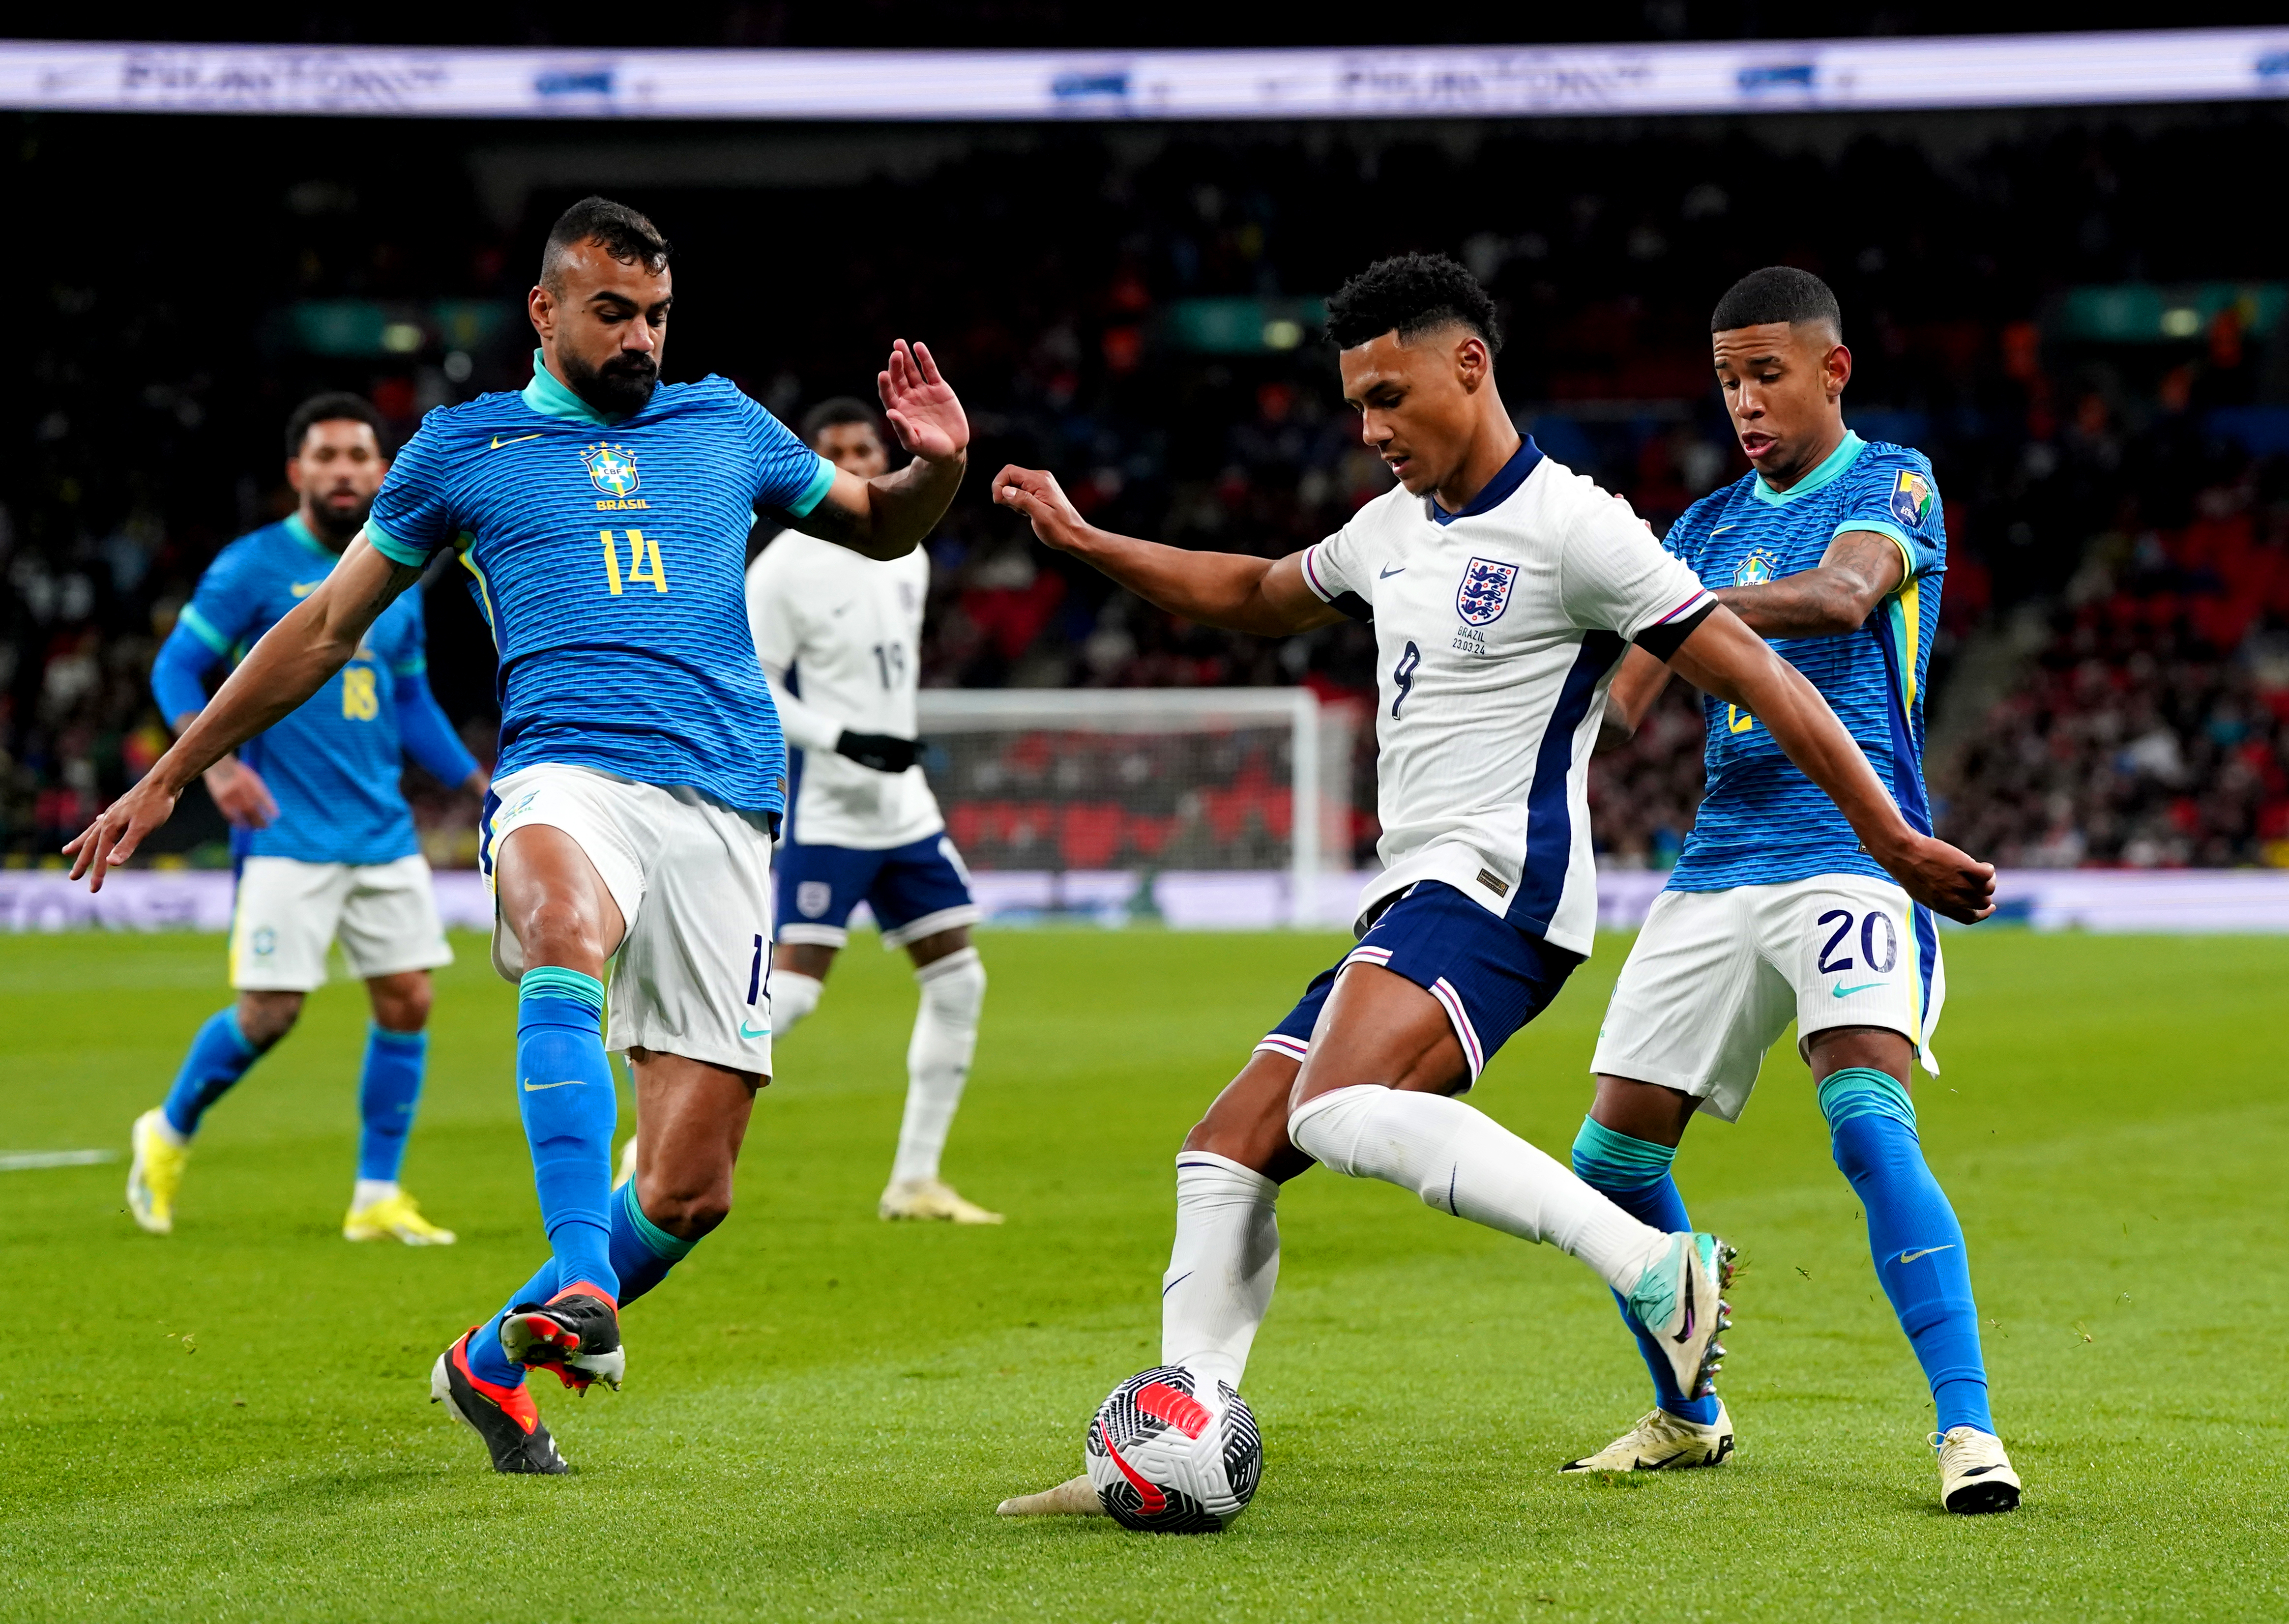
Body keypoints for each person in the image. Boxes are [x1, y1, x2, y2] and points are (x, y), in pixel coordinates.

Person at [990, 253, 1996, 1517]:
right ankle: (1173, 1440)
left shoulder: (1581, 526)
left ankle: (1646, 1261)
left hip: (1502, 886)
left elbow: (1770, 674)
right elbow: (1252, 591)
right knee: (1224, 1150)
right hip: (1413, 888)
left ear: (1470, 366)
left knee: (1335, 1105)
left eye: (1390, 396)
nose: (1370, 429)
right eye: (1357, 403)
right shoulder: (1391, 528)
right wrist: (1086, 540)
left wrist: (1892, 841)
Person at [68, 196, 970, 1475]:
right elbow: (324, 629)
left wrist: (933, 465)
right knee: (561, 928)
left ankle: (495, 1355)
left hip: (726, 803)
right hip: (566, 773)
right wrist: (175, 773)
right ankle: (584, 1285)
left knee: (692, 1189)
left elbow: (881, 524)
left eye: (657, 314)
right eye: (614, 313)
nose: (641, 338)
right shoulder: (460, 450)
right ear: (547, 310)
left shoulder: (726, 423)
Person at [1565, 266, 2019, 1513]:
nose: (1745, 401)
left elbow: (1841, 596)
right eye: (1726, 379)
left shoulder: (1893, 480)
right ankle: (1690, 1413)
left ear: (1834, 370)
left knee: (1868, 1121)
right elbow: (1626, 695)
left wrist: (1663, 606)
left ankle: (1968, 1430)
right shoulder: (1700, 525)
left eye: (1767, 373)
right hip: (1718, 862)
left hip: (1854, 848)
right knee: (1607, 1161)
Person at [618, 399, 995, 1222]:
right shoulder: (782, 567)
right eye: (835, 450)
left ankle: (915, 1181)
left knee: (960, 978)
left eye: (864, 445)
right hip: (832, 812)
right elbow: (752, 679)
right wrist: (842, 739)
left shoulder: (906, 549)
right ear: (809, 464)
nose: (854, 460)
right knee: (791, 994)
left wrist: (884, 745)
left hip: (906, 807)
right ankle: (649, 1148)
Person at [125, 392, 482, 1246]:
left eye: (361, 455)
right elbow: (179, 669)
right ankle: (167, 1131)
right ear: (297, 472)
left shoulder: (395, 572)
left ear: (384, 470)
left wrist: (476, 779)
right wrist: (214, 766)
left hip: (381, 829)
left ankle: (375, 1196)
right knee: (271, 1011)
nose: (346, 470)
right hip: (285, 827)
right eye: (326, 456)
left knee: (408, 1000)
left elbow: (409, 699)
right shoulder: (251, 567)